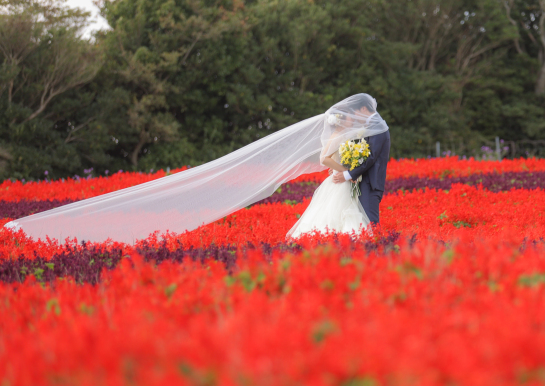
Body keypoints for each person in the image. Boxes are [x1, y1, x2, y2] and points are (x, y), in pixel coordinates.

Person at [2, 94, 389, 245]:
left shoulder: (371, 134)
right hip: (339, 183)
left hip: (345, 185)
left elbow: (362, 160)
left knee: (342, 228)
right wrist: (343, 168)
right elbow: (328, 158)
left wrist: (348, 172)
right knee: (337, 228)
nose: (352, 119)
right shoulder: (348, 136)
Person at [287, 94, 391, 237]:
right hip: (345, 180)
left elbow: (370, 157)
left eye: (354, 113)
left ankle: (368, 249)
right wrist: (345, 171)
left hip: (357, 181)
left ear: (363, 108)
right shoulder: (343, 134)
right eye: (350, 115)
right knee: (345, 219)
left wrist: (348, 172)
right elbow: (324, 158)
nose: (354, 117)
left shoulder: (375, 128)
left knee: (363, 222)